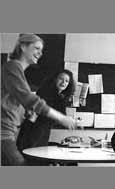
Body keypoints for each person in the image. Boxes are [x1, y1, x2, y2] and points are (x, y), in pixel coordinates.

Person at [1, 34, 76, 166]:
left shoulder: (17, 71)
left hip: (10, 133)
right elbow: (30, 99)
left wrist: (28, 113)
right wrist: (62, 118)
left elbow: (18, 103)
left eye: (41, 50)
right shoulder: (12, 67)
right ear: (23, 47)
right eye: (36, 48)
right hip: (4, 134)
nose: (40, 53)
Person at [16, 69, 75, 153]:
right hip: (33, 130)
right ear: (55, 79)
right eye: (61, 79)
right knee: (31, 157)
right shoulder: (45, 92)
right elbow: (39, 113)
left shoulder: (60, 97)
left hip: (44, 131)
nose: (63, 83)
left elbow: (59, 116)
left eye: (66, 81)